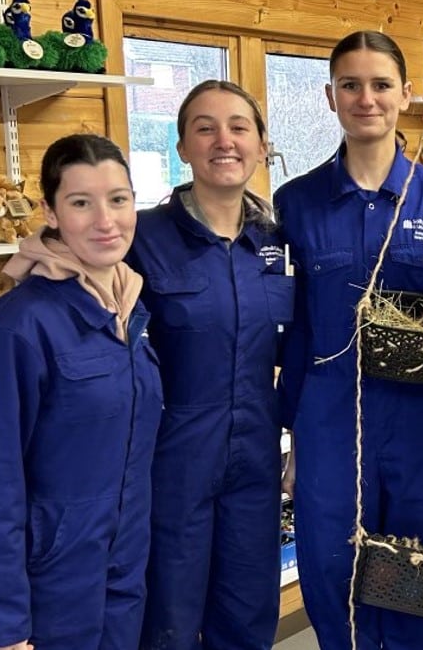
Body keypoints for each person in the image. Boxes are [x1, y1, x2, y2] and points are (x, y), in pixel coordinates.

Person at [273, 30, 423, 650]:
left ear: (406, 96)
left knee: (412, 568)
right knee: (330, 568)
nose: (365, 98)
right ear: (329, 96)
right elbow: (292, 330)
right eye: (350, 85)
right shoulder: (297, 202)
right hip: (327, 418)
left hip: (415, 418)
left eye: (380, 85)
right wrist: (292, 438)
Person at [0, 134, 162, 650]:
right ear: (50, 212)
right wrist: (4, 628)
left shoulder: (130, 308)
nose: (106, 220)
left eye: (119, 199)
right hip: (52, 583)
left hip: (124, 568)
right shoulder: (21, 324)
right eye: (81, 203)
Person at [127, 80, 293, 650]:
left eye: (238, 127)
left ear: (260, 144)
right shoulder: (141, 235)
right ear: (182, 147)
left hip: (256, 456)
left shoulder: (278, 239)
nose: (224, 140)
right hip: (172, 459)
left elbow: (300, 348)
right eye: (205, 127)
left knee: (248, 615)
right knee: (167, 618)